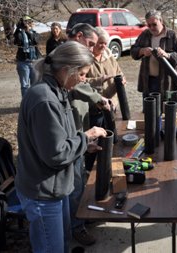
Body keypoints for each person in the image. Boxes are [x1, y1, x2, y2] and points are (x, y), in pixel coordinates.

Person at [15, 41, 107, 253]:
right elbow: (56, 154)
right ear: (67, 70)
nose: (84, 80)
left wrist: (84, 146)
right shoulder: (45, 100)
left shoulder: (57, 91)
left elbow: (60, 139)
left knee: (61, 243)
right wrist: (86, 136)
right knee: (51, 249)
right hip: (43, 192)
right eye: (82, 74)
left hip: (56, 186)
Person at [66, 22, 110, 247]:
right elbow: (77, 84)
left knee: (80, 175)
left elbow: (81, 83)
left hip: (78, 124)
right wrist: (97, 98)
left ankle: (80, 216)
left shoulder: (75, 57)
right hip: (69, 129)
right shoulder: (65, 59)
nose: (93, 48)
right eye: (91, 43)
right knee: (74, 181)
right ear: (79, 36)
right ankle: (76, 226)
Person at [84, 26, 127, 172]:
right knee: (94, 142)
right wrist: (100, 79)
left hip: (111, 105)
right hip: (94, 107)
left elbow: (118, 71)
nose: (103, 46)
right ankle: (89, 170)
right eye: (100, 43)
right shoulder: (86, 58)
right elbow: (80, 82)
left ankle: (107, 167)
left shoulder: (108, 54)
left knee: (111, 137)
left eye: (105, 43)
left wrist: (122, 78)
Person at [131, 10, 177, 100]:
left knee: (167, 111)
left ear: (161, 21)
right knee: (150, 111)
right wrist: (142, 51)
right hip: (149, 81)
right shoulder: (145, 34)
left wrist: (168, 55)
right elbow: (133, 52)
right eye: (149, 25)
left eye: (154, 24)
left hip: (168, 83)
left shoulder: (172, 35)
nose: (151, 28)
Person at [13, 16, 41, 97]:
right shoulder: (19, 33)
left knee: (35, 84)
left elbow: (35, 41)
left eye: (29, 22)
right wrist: (18, 29)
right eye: (25, 22)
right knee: (24, 85)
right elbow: (18, 41)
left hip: (34, 61)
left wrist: (28, 31)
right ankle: (26, 104)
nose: (27, 24)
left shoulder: (35, 33)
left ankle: (34, 102)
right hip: (23, 61)